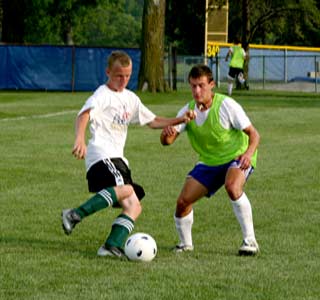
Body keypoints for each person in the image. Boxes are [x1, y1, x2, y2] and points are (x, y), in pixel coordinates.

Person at [62, 50, 196, 259]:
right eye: (118, 76)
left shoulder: (130, 98)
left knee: (134, 206)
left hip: (118, 160)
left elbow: (152, 121)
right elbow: (84, 115)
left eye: (127, 75)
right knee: (125, 189)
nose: (124, 80)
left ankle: (110, 245)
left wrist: (180, 120)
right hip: (102, 155)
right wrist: (79, 138)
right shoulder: (102, 94)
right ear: (108, 72)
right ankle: (75, 214)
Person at [160, 64, 260, 255]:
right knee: (182, 202)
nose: (197, 91)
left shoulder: (227, 105)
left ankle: (250, 241)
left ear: (211, 84)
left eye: (201, 85)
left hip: (237, 155)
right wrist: (167, 133)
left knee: (232, 186)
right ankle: (185, 245)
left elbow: (254, 134)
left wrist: (248, 154)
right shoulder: (187, 111)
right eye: (193, 86)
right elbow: (167, 141)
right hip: (209, 161)